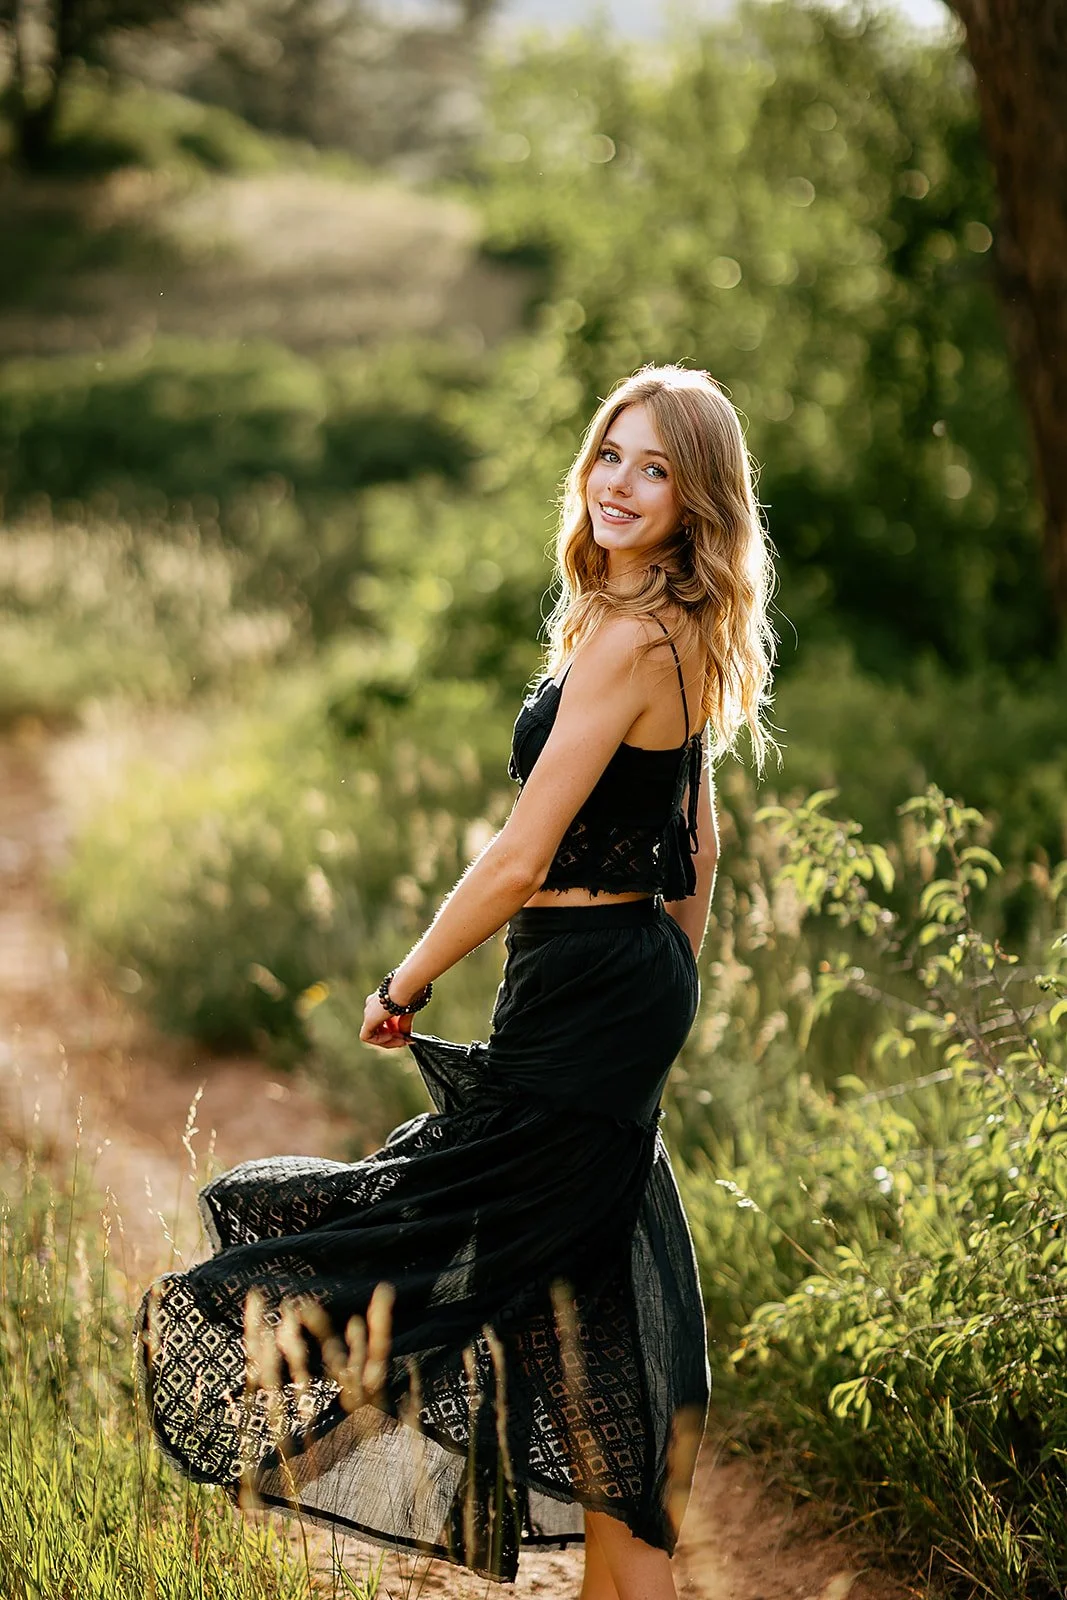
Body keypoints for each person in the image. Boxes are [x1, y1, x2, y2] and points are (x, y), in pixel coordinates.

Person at [135, 362, 777, 1598]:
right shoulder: (673, 629)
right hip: (615, 974)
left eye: (655, 468)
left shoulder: (635, 639)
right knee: (578, 1262)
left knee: (457, 1217)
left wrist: (408, 977)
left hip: (589, 976)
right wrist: (670, 972)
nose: (620, 484)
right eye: (610, 455)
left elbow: (522, 852)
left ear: (698, 499)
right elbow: (698, 839)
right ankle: (620, 1549)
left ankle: (306, 1357)